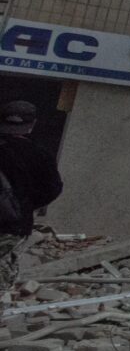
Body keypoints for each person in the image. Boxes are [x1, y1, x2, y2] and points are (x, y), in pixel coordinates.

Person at [0, 101, 63, 296]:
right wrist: (24, 205)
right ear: (32, 124)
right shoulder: (40, 154)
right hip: (13, 225)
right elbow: (52, 189)